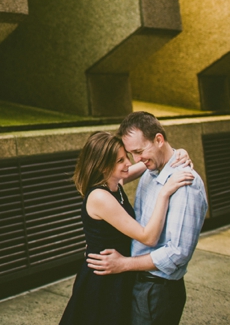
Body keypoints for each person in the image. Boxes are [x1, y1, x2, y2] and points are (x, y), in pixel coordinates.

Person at [59, 131, 194, 325]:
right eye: (120, 160)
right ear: (103, 166)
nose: (128, 163)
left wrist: (178, 153)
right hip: (104, 280)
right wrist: (164, 193)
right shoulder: (100, 197)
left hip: (117, 271)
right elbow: (148, 237)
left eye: (127, 157)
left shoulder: (114, 181)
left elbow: (152, 161)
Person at [87, 112, 208, 325]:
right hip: (136, 282)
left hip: (156, 290)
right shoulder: (151, 170)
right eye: (129, 154)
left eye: (139, 152)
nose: (135, 160)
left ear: (159, 140)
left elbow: (176, 253)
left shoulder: (184, 184)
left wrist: (124, 264)